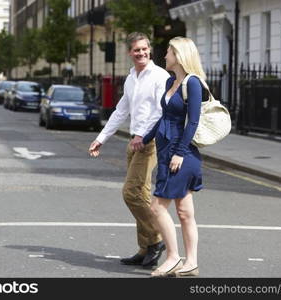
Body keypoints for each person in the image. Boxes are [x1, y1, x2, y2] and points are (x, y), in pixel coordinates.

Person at [88, 32, 170, 267]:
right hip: (134, 143)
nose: (141, 53)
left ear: (150, 50)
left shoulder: (159, 76)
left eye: (145, 49)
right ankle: (145, 249)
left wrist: (142, 135)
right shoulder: (131, 77)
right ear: (130, 53)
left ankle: (157, 240)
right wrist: (101, 138)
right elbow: (121, 110)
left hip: (149, 142)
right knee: (141, 195)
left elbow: (160, 111)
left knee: (131, 193)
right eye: (137, 50)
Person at [142, 37, 207, 277]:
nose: (165, 55)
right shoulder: (172, 81)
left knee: (157, 207)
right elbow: (164, 116)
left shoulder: (193, 84)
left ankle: (172, 257)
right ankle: (191, 263)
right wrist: (145, 137)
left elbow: (193, 122)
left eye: (169, 51)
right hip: (166, 150)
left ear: (179, 56)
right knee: (185, 212)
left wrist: (179, 153)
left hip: (181, 154)